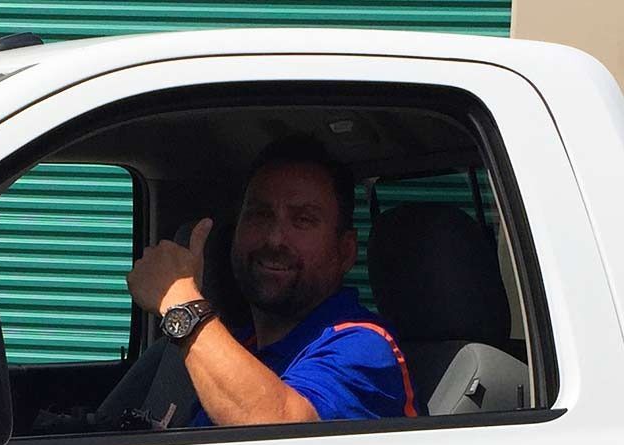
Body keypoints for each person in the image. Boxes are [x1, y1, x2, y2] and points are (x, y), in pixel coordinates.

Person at [124, 134, 415, 426]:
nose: (274, 239)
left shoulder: (364, 346)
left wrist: (180, 301)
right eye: (259, 215)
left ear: (345, 251)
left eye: (303, 220)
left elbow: (276, 431)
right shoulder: (238, 345)